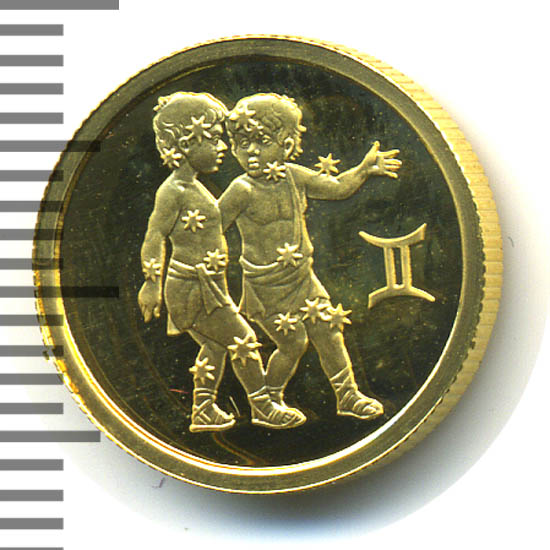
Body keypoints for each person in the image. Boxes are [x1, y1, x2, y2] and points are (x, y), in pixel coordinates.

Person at [219, 93, 401, 421]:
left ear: (287, 145)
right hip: (265, 286)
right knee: (293, 344)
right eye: (243, 143)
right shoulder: (241, 189)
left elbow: (337, 187)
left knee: (328, 330)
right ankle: (267, 402)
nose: (251, 151)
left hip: (302, 277)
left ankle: (347, 395)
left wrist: (363, 170)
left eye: (262, 141)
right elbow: (211, 229)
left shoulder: (295, 176)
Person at [138, 92, 305, 432]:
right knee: (243, 340)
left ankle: (202, 409)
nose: (223, 146)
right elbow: (154, 235)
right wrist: (151, 284)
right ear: (185, 144)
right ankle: (262, 407)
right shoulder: (173, 191)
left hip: (207, 285)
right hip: (192, 287)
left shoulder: (192, 187)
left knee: (214, 347)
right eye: (213, 139)